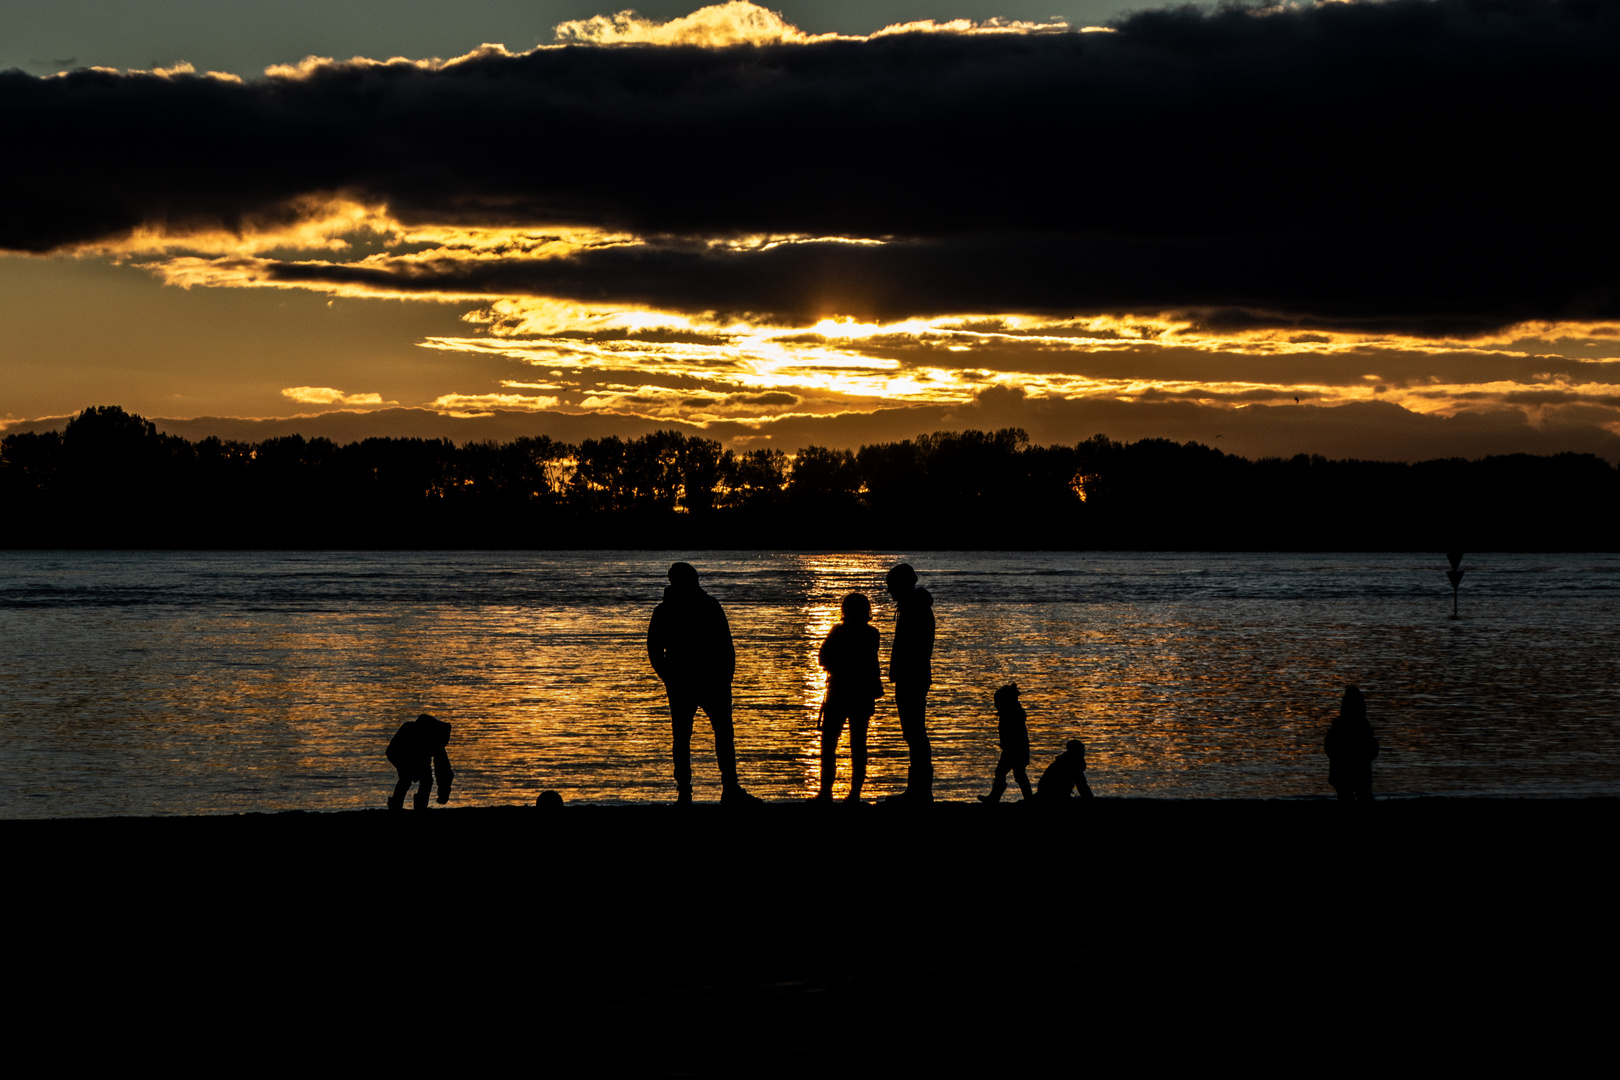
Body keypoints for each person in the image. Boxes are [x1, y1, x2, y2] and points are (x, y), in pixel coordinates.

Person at [647, 562, 761, 805]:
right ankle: (715, 789)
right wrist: (670, 676)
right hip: (704, 681)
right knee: (713, 735)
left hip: (701, 681)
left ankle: (697, 791)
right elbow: (725, 645)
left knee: (690, 736)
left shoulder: (669, 610)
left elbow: (656, 651)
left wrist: (670, 676)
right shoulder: (705, 606)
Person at [812, 592, 884, 803]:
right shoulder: (872, 634)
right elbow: (872, 664)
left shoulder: (838, 631)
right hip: (862, 694)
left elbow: (822, 657)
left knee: (829, 745)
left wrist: (839, 669)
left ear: (845, 611)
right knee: (858, 745)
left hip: (839, 692)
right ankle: (853, 795)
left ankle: (826, 793)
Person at [885, 563, 936, 802]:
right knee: (914, 734)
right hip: (912, 675)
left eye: (891, 586)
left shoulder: (914, 609)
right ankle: (917, 789)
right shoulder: (913, 607)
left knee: (915, 734)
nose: (888, 591)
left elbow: (914, 648)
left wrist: (901, 672)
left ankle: (919, 791)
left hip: (911, 677)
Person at [386, 713, 453, 811]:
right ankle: (398, 806)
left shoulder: (435, 738)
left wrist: (444, 791)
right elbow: (443, 769)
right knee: (408, 778)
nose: (444, 745)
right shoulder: (419, 733)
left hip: (409, 754)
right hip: (400, 753)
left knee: (422, 780)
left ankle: (417, 807)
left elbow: (443, 770)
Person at [979, 683, 1034, 803]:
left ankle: (996, 797)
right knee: (1014, 773)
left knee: (1011, 773)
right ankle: (1027, 799)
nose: (996, 704)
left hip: (1014, 749)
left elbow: (1013, 734)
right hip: (1015, 748)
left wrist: (1006, 743)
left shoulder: (1011, 714)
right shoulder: (1012, 713)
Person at [1325, 685, 1379, 801]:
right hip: (1358, 769)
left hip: (1344, 770)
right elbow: (1373, 749)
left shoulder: (1340, 727)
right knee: (1362, 795)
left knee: (1348, 795)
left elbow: (1329, 747)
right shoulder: (1362, 727)